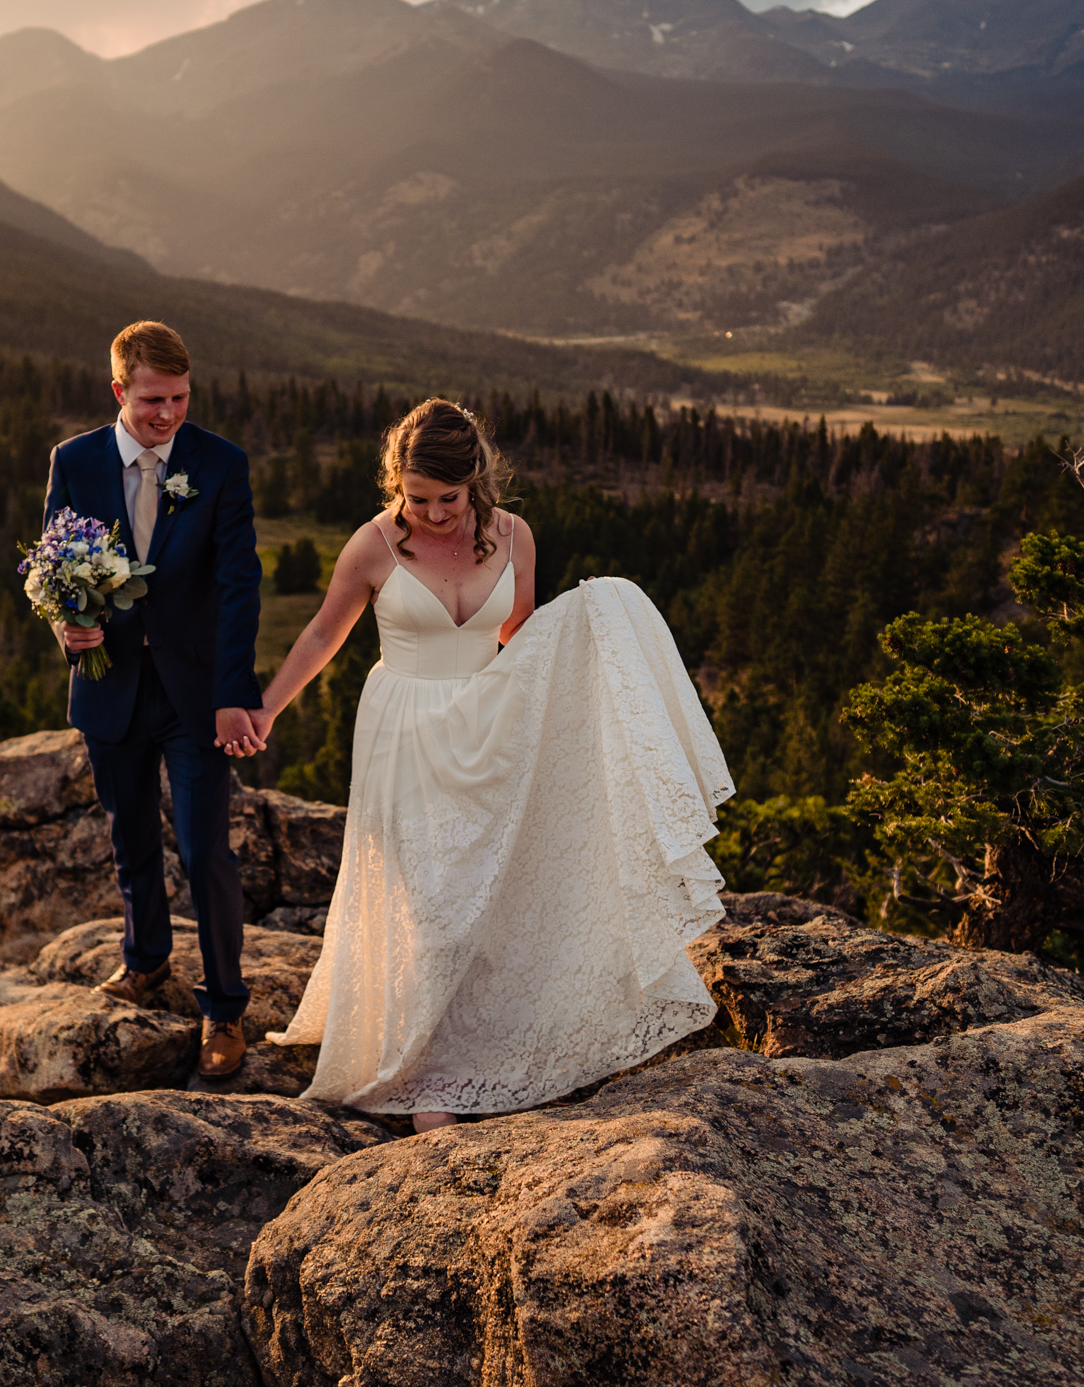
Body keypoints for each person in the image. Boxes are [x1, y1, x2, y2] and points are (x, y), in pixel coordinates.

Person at [252, 400, 732, 1131]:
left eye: (448, 498)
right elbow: (324, 630)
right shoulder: (374, 544)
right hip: (405, 729)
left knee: (482, 889)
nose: (435, 513)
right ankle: (426, 1073)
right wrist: (268, 707)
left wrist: (585, 657)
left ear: (475, 481)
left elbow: (521, 636)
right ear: (396, 484)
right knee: (427, 899)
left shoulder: (513, 535)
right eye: (418, 498)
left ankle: (479, 1039)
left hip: (487, 720)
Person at [44, 321, 266, 1078]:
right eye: (151, 401)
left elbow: (241, 585)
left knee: (206, 852)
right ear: (118, 391)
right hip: (110, 685)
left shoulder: (220, 464)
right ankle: (145, 961)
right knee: (130, 838)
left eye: (178, 398)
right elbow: (55, 567)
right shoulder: (72, 461)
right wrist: (67, 627)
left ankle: (226, 1008)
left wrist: (236, 694)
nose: (167, 414)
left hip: (197, 693)